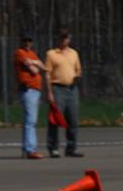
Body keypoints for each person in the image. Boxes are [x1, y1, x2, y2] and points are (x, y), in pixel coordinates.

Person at [44, 29, 83, 157]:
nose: (64, 40)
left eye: (66, 38)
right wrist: (49, 92)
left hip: (72, 89)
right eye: (62, 38)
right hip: (57, 88)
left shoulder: (74, 53)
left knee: (73, 119)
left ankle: (71, 148)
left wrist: (77, 75)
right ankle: (53, 148)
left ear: (69, 39)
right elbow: (47, 74)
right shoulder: (51, 54)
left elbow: (78, 69)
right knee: (55, 119)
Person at [13, 32, 46, 159]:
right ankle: (30, 149)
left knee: (31, 120)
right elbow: (34, 70)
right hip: (28, 89)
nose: (28, 43)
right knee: (30, 121)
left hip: (36, 89)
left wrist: (35, 62)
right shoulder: (20, 53)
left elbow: (43, 67)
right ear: (22, 41)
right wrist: (36, 64)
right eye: (25, 41)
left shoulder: (32, 54)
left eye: (29, 41)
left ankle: (27, 148)